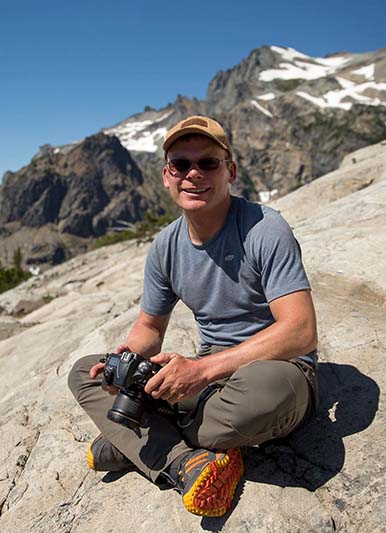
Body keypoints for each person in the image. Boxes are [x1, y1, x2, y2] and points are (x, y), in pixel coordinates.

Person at [68, 115, 318, 517]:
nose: (193, 174)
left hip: (272, 370)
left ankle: (141, 444)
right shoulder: (166, 245)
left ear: (230, 171)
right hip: (205, 384)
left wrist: (201, 372)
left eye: (208, 163)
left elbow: (301, 331)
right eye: (181, 165)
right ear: (167, 176)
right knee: (85, 371)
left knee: (268, 389)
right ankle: (186, 461)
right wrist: (126, 362)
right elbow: (149, 328)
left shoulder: (264, 229)